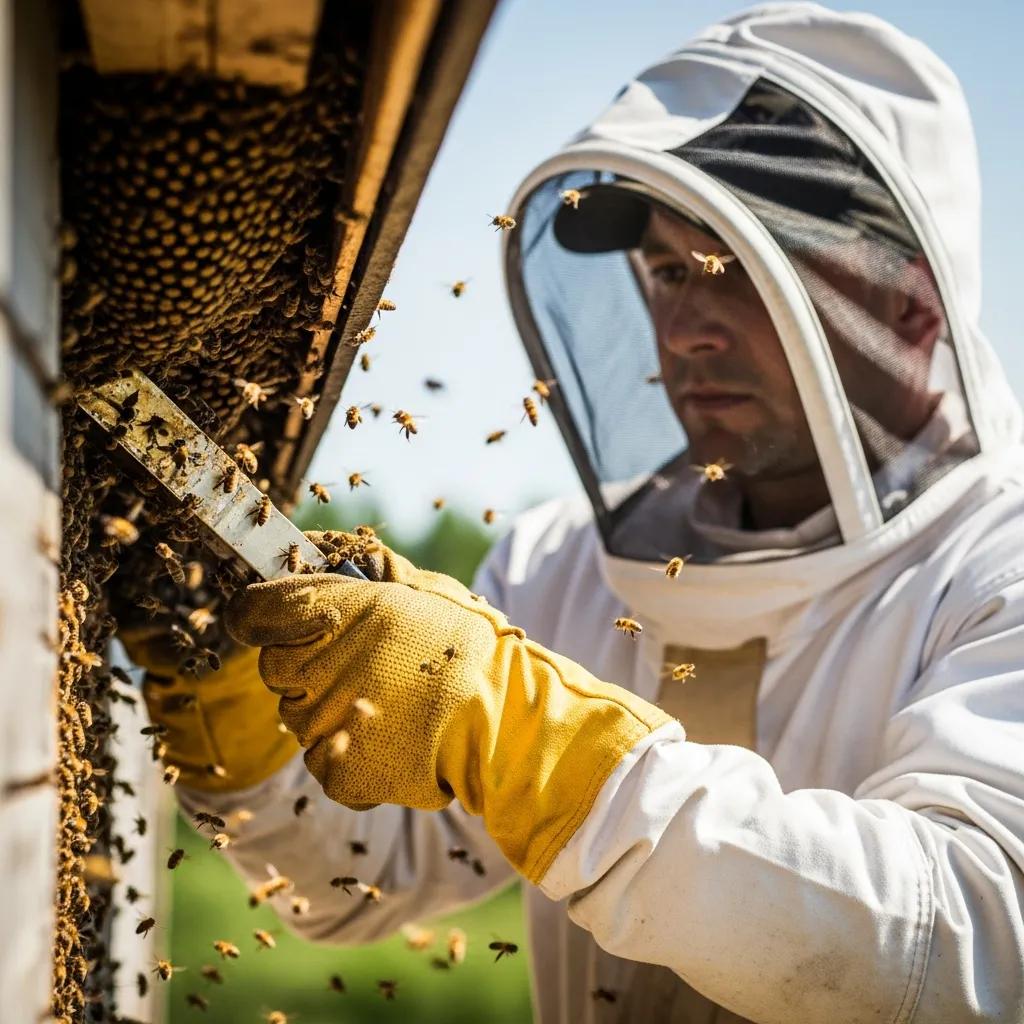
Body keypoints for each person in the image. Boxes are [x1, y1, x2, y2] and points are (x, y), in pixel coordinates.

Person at [142, 5, 1024, 1021]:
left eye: (731, 271)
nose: (683, 328)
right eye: (661, 273)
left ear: (908, 305)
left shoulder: (997, 570)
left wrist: (544, 751)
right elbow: (363, 873)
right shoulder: (559, 566)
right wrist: (239, 720)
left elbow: (967, 948)